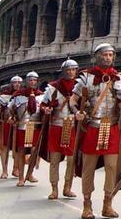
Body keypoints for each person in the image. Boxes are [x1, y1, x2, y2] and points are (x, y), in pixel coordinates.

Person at [72, 44, 121, 219]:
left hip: (111, 127)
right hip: (92, 127)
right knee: (88, 168)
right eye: (104, 54)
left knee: (111, 167)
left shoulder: (118, 79)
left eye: (111, 55)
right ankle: (87, 205)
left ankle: (107, 204)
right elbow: (73, 101)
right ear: (97, 56)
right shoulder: (85, 78)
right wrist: (77, 113)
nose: (107, 57)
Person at [40, 58, 80, 200]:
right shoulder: (53, 88)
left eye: (74, 69)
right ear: (63, 71)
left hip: (72, 126)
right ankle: (54, 189)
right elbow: (43, 105)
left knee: (71, 159)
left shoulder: (79, 87)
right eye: (69, 70)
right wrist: (46, 110)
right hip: (56, 126)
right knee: (55, 159)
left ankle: (67, 187)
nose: (71, 72)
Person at [8, 71, 44, 187]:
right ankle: (21, 177)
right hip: (22, 126)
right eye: (30, 80)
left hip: (35, 126)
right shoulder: (18, 96)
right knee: (21, 152)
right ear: (26, 81)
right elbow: (9, 109)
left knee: (34, 152)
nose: (32, 82)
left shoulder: (42, 96)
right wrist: (10, 117)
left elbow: (45, 110)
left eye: (34, 80)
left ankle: (30, 173)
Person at [0, 75, 22, 179]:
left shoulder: (23, 96)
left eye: (19, 83)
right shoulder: (3, 97)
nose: (17, 84)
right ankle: (4, 170)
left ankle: (15, 169)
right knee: (4, 148)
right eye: (15, 82)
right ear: (11, 84)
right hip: (5, 124)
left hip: (18, 124)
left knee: (18, 148)